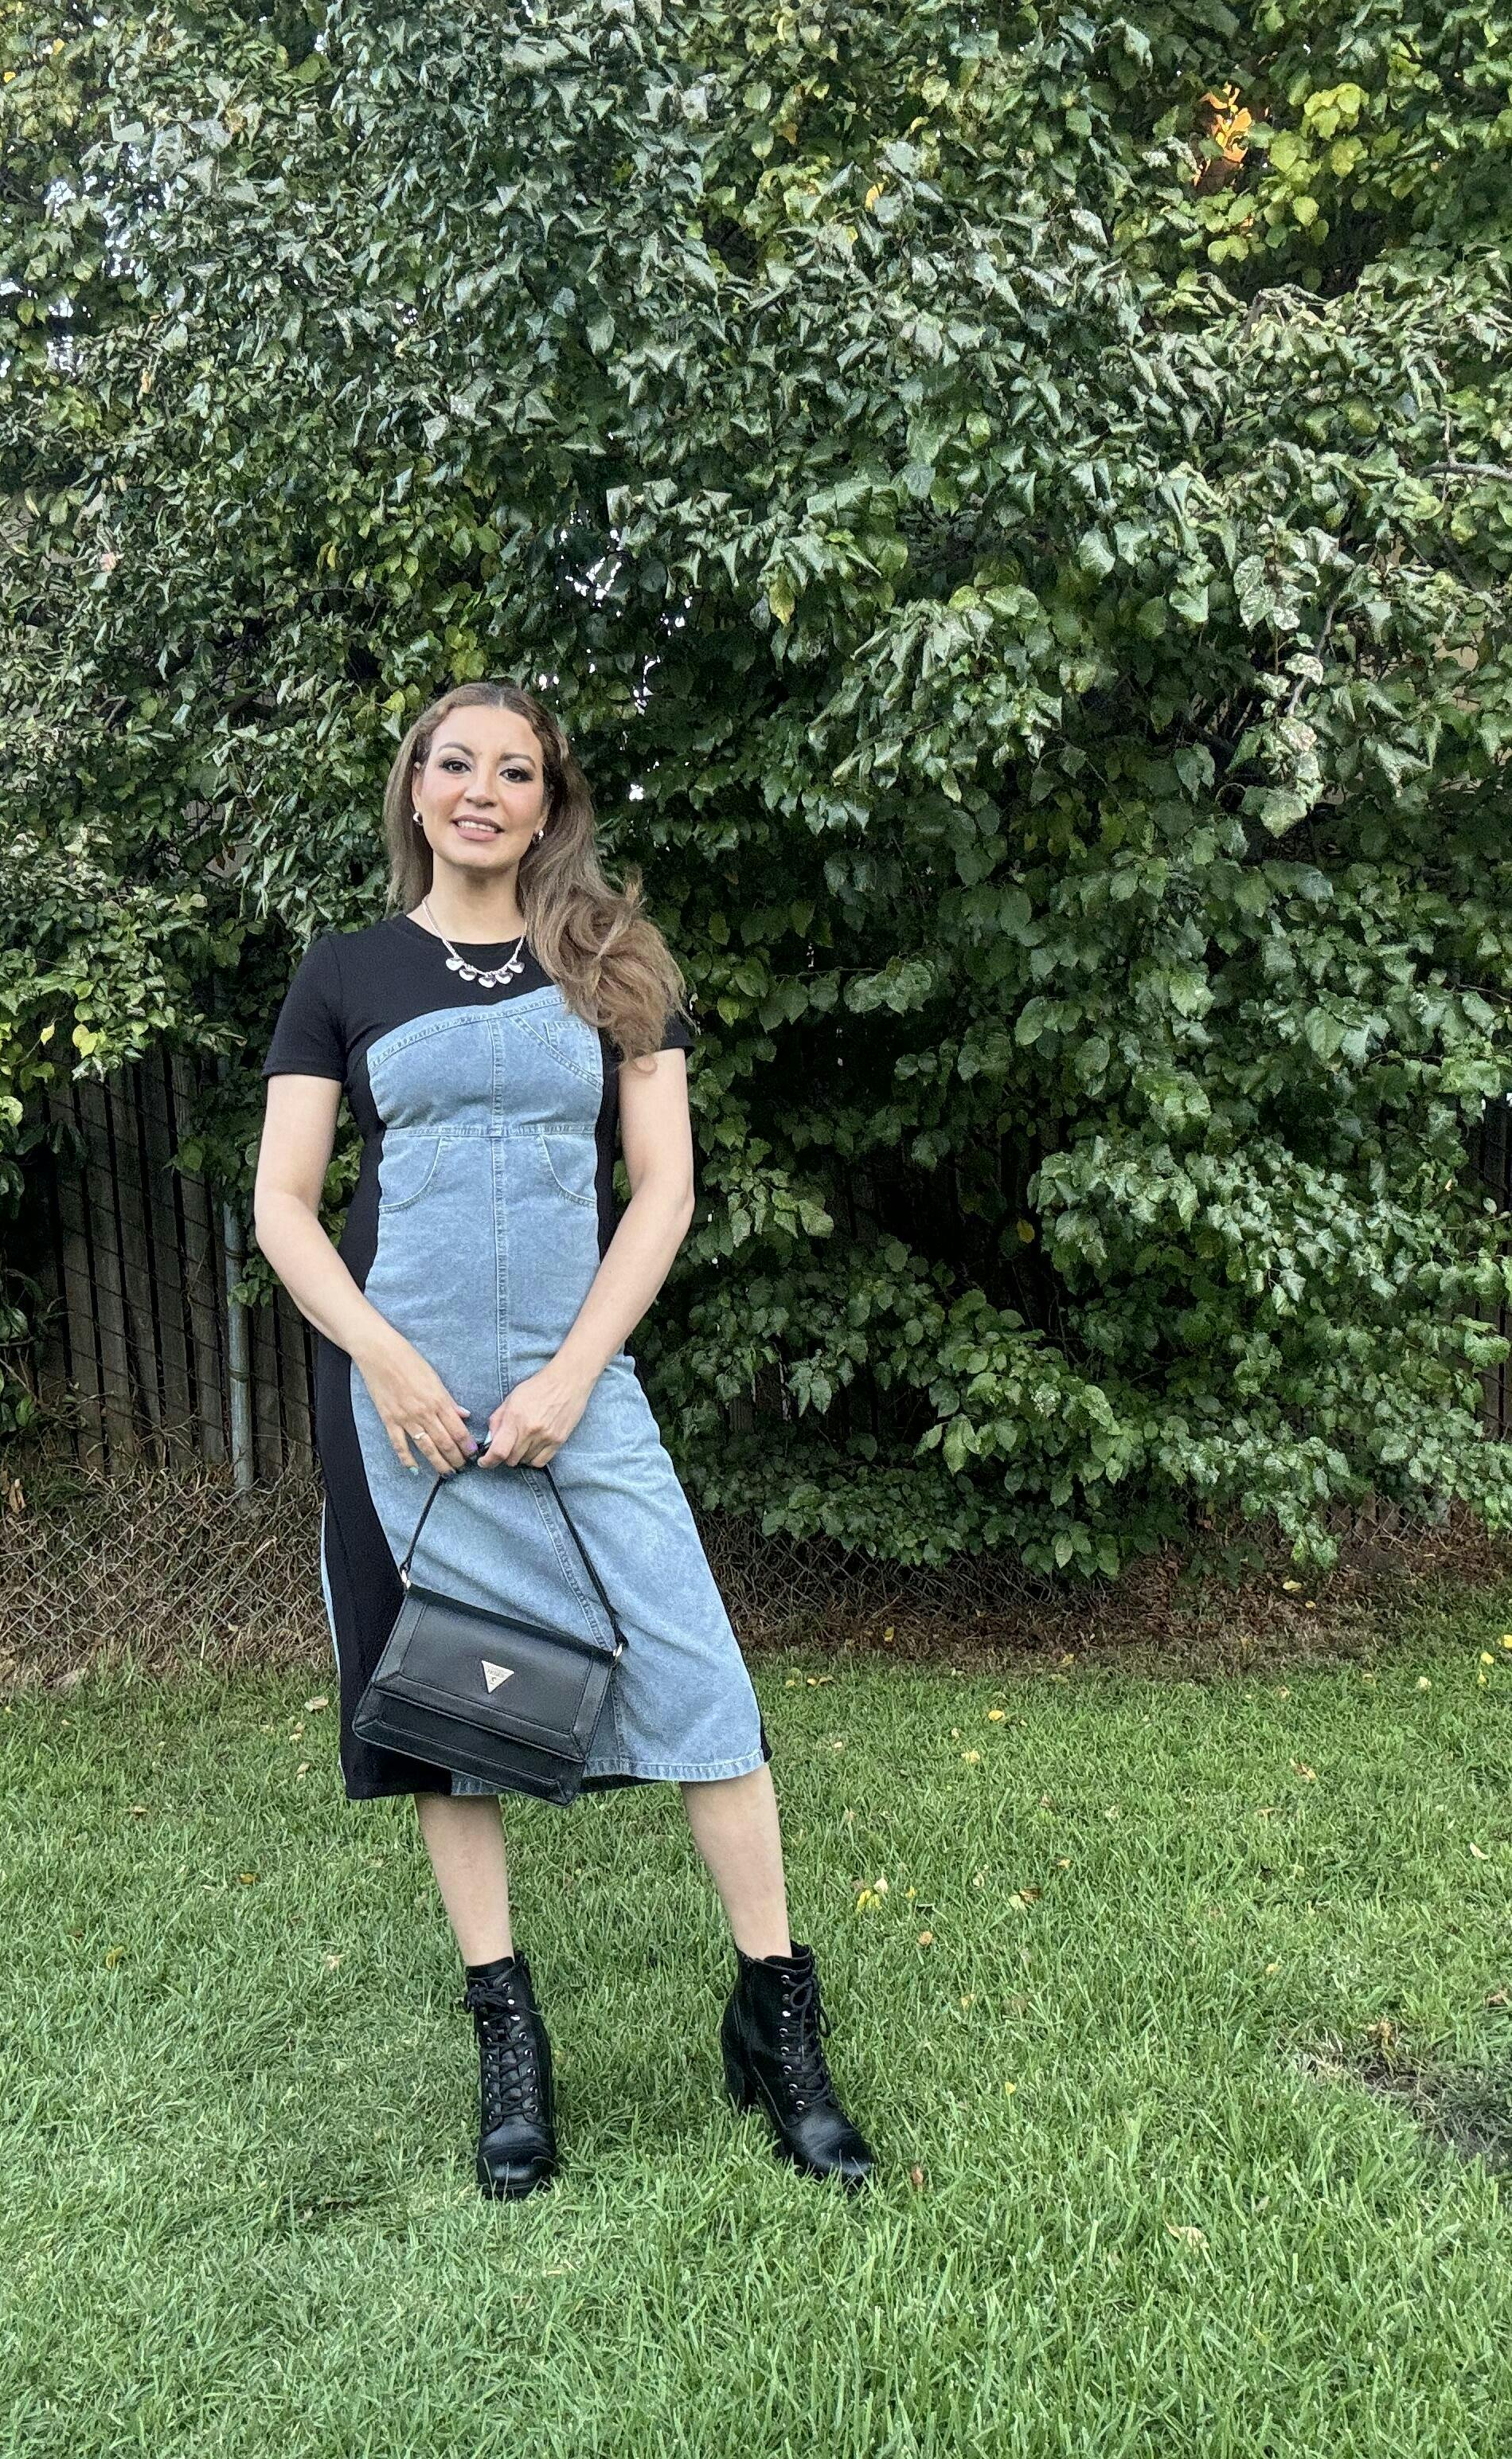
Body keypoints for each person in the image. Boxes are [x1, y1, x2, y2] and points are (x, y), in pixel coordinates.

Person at [252, 678, 876, 2197]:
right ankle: (509, 2042)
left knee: (705, 1680)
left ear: (549, 805)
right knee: (447, 1706)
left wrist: (573, 1378)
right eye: (454, 763)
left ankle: (775, 2020)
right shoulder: (346, 972)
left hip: (576, 1392)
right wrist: (387, 1365)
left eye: (515, 771)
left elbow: (664, 1191)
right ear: (416, 789)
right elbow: (283, 1204)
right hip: (399, 1408)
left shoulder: (613, 961)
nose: (482, 790)